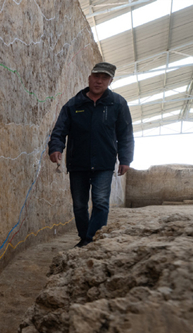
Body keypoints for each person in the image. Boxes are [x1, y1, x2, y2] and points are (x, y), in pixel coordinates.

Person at [49, 61, 134, 247]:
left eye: (104, 78)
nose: (99, 81)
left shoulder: (118, 104)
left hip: (103, 163)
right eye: (96, 76)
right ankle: (84, 236)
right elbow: (60, 129)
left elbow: (125, 134)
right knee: (79, 205)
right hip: (77, 163)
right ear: (89, 78)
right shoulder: (73, 104)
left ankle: (91, 240)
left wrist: (125, 158)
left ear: (110, 81)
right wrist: (56, 147)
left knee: (101, 201)